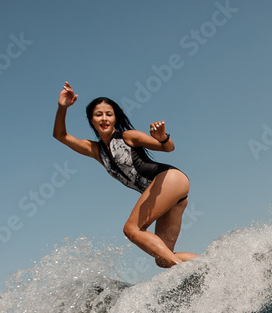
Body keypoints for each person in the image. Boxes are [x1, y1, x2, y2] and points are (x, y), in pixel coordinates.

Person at [52, 82, 198, 268]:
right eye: (98, 115)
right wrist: (62, 107)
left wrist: (163, 138)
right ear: (91, 120)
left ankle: (185, 271)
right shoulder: (97, 150)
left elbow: (167, 148)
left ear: (114, 118)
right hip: (173, 196)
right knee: (163, 258)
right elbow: (60, 135)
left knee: (132, 229)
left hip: (169, 179)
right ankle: (212, 265)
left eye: (108, 114)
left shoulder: (128, 137)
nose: (104, 118)